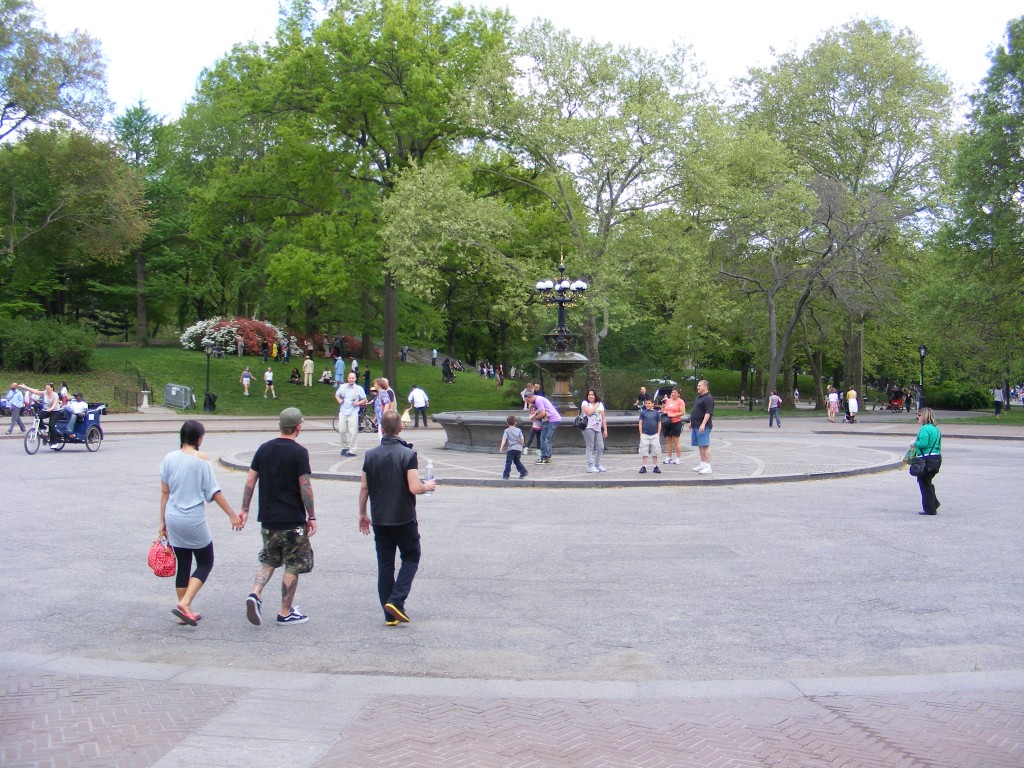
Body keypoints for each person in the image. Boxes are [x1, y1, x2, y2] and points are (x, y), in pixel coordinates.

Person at [160, 420, 243, 626]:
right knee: (206, 561)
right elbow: (213, 491)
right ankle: (186, 603)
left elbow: (164, 492)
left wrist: (161, 522)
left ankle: (184, 611)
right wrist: (231, 514)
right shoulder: (201, 459)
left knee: (184, 563)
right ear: (199, 439)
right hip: (192, 518)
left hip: (172, 516)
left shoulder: (169, 458)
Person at [359, 410, 436, 625]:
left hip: (380, 518)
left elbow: (364, 487)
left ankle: (389, 615)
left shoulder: (370, 455)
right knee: (411, 557)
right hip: (403, 517)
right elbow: (414, 487)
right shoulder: (408, 455)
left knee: (385, 564)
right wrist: (427, 486)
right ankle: (396, 599)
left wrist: (362, 513)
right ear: (400, 428)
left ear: (381, 428)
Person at [241, 408, 316, 627]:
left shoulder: (264, 449)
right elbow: (305, 487)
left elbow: (249, 481)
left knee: (269, 558)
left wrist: (244, 509)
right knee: (293, 564)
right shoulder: (299, 452)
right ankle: (284, 612)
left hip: (268, 520)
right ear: (298, 427)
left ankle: (255, 593)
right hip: (292, 522)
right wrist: (311, 516)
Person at [908, 407, 942, 515]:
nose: (917, 417)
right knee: (927, 482)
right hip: (936, 458)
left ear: (925, 416)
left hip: (926, 459)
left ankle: (930, 509)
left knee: (924, 483)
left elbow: (923, 443)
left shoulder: (924, 429)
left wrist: (914, 443)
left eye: (919, 415)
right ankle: (934, 503)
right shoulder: (935, 429)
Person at [19, 382, 62, 447]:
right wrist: (26, 387)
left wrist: (50, 409)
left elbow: (55, 403)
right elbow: (35, 391)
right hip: (47, 410)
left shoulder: (55, 395)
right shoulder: (45, 393)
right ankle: (42, 428)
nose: (47, 389)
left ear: (52, 388)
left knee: (51, 425)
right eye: (46, 388)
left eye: (48, 388)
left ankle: (54, 442)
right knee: (38, 416)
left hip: (55, 411)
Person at [336, 372, 367, 457]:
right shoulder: (343, 387)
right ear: (347, 378)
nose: (351, 379)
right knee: (341, 431)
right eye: (350, 378)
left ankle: (352, 450)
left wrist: (358, 403)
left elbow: (364, 399)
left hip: (353, 412)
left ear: (355, 379)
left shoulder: (359, 388)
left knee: (353, 432)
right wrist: (339, 400)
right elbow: (337, 395)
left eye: (353, 378)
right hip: (343, 411)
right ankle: (345, 447)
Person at [526, 392, 561, 464]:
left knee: (545, 439)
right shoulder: (539, 399)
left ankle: (545, 457)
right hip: (549, 420)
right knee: (545, 438)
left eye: (528, 400)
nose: (528, 402)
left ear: (531, 397)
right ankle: (546, 457)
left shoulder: (538, 400)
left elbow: (542, 413)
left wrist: (534, 418)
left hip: (552, 420)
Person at [580, 389, 609, 473]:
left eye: (592, 395)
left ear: (595, 395)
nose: (591, 396)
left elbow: (603, 417)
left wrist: (605, 430)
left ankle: (597, 464)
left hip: (598, 428)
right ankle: (590, 465)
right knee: (590, 446)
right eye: (589, 395)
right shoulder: (585, 403)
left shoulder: (601, 405)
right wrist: (596, 405)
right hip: (588, 427)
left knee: (601, 447)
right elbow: (589, 412)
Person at [690, 379, 714, 474]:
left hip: (703, 425)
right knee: (700, 445)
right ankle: (702, 464)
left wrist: (703, 424)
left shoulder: (708, 398)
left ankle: (708, 466)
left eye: (699, 386)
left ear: (705, 387)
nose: (697, 387)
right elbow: (696, 410)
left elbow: (708, 412)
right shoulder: (700, 397)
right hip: (696, 424)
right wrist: (692, 422)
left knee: (705, 445)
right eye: (698, 385)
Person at [661, 388, 687, 463]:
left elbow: (682, 412)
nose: (673, 394)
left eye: (675, 393)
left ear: (678, 394)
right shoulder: (668, 400)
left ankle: (678, 458)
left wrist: (673, 415)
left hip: (676, 422)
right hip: (667, 422)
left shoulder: (680, 401)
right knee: (668, 440)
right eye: (672, 392)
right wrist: (665, 411)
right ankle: (669, 457)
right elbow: (665, 408)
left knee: (676, 440)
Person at [637, 395, 662, 474]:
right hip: (645, 434)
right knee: (644, 450)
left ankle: (655, 466)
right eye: (646, 403)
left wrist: (658, 433)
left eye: (649, 403)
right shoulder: (643, 413)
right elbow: (640, 423)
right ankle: (644, 466)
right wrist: (641, 433)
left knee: (655, 450)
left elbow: (659, 423)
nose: (647, 405)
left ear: (652, 404)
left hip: (654, 434)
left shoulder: (656, 413)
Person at [499, 415, 529, 479]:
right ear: (515, 422)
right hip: (518, 448)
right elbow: (522, 438)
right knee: (517, 461)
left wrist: (501, 447)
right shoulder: (518, 430)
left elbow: (504, 439)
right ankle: (523, 471)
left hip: (511, 449)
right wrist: (522, 445)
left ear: (507, 423)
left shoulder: (507, 430)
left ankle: (506, 475)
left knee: (508, 462)